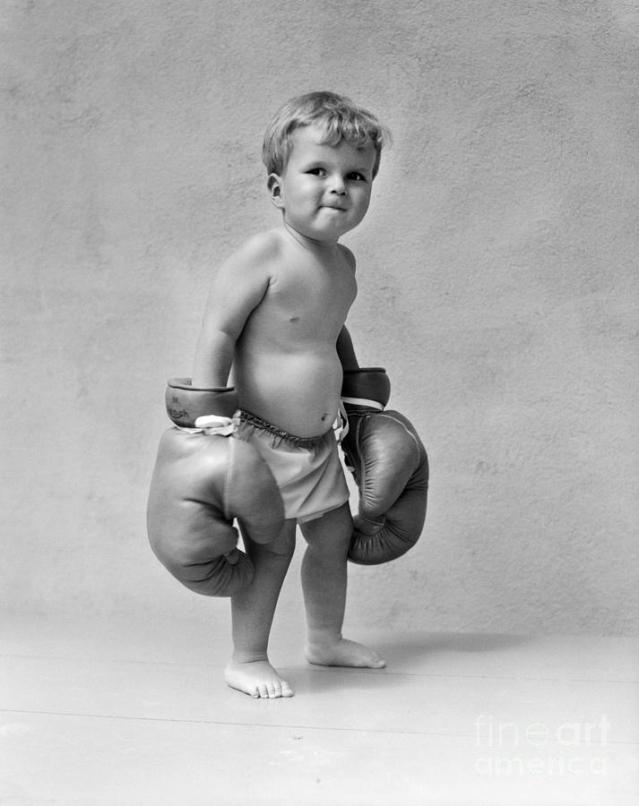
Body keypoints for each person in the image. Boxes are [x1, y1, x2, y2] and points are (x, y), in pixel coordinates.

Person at [191, 91, 391, 699]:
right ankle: (246, 657)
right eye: (318, 171)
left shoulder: (344, 262)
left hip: (316, 442)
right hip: (262, 440)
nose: (338, 188)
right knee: (271, 549)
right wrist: (207, 406)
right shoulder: (265, 254)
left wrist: (356, 391)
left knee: (332, 540)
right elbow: (219, 328)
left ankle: (324, 640)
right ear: (278, 188)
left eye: (356, 176)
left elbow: (329, 332)